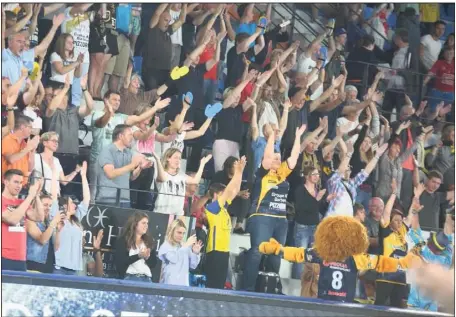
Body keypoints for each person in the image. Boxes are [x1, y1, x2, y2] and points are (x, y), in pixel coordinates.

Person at [259, 215, 420, 303]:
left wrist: (279, 250)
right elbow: (380, 263)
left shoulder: (326, 255)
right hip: (330, 304)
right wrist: (401, 263)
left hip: (336, 305)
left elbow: (298, 254)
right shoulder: (347, 257)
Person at [243, 125, 305, 292]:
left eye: (279, 159)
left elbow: (293, 157)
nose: (278, 161)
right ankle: (247, 289)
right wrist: (271, 137)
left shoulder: (282, 174)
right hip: (261, 215)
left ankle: (269, 289)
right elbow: (268, 156)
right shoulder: (262, 173)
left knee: (276, 254)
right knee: (257, 252)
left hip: (280, 219)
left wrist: (298, 136)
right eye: (276, 159)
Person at [89, 91, 169, 200]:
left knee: (112, 194)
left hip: (116, 161)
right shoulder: (97, 113)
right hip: (98, 159)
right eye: (114, 99)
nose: (117, 102)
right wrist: (109, 112)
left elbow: (139, 118)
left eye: (119, 100)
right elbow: (101, 123)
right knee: (94, 192)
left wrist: (154, 109)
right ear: (106, 100)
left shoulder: (121, 117)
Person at [205, 156, 246, 289]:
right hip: (214, 251)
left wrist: (240, 172)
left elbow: (234, 191)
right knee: (213, 285)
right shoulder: (212, 208)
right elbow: (229, 190)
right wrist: (238, 171)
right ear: (216, 195)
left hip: (223, 251)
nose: (226, 195)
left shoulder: (223, 209)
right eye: (222, 193)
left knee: (220, 286)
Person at [407, 197, 453, 311]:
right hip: (430, 306)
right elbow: (448, 234)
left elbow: (415, 229)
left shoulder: (424, 250)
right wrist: (448, 216)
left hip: (416, 303)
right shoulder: (446, 258)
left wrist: (415, 212)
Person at [291, 165, 334, 279]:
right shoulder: (300, 190)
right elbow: (301, 208)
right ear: (307, 176)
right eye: (314, 174)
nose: (317, 177)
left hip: (315, 226)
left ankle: (311, 284)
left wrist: (326, 200)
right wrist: (317, 199)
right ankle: (297, 283)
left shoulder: (317, 191)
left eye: (318, 174)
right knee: (301, 257)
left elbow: (318, 209)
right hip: (302, 226)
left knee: (314, 258)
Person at [326, 139, 388, 217]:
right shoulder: (334, 182)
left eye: (349, 167)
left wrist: (377, 156)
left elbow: (366, 172)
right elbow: (340, 171)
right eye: (347, 167)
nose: (349, 169)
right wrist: (349, 154)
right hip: (332, 221)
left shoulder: (352, 184)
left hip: (346, 222)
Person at [95, 124, 152, 208]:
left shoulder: (128, 152)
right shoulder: (107, 151)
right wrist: (132, 165)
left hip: (125, 200)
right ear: (120, 136)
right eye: (129, 135)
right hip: (108, 199)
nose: (132, 138)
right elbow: (110, 174)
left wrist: (140, 168)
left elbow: (131, 177)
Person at [50, 161, 90, 276]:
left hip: (74, 270)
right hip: (59, 268)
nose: (75, 205)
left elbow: (86, 199)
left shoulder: (76, 218)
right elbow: (53, 196)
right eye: (72, 203)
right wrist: (54, 174)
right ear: (64, 206)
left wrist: (83, 176)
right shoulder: (57, 217)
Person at [1, 169, 44, 271]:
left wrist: (36, 194)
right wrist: (30, 196)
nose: (19, 186)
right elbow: (12, 220)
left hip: (21, 258)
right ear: (6, 182)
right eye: (15, 182)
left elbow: (39, 217)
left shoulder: (21, 202)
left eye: (21, 183)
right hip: (3, 257)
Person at [152, 148, 212, 216]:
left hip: (178, 215)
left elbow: (195, 181)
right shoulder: (161, 173)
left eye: (179, 158)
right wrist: (158, 160)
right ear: (168, 158)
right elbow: (162, 178)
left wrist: (202, 164)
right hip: (161, 213)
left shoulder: (181, 175)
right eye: (175, 158)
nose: (178, 160)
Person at [25, 193, 63, 273]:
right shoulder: (30, 221)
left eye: (50, 206)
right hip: (33, 265)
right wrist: (53, 223)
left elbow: (56, 247)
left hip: (48, 265)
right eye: (45, 205)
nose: (48, 208)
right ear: (37, 206)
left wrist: (58, 231)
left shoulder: (49, 223)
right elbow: (42, 240)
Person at [211, 156, 250, 234]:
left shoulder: (238, 177)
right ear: (228, 167)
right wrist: (238, 194)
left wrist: (243, 194)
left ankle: (238, 225)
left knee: (246, 199)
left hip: (233, 203)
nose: (236, 168)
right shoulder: (219, 175)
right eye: (235, 166)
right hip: (220, 202)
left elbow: (239, 190)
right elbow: (218, 191)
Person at [115, 211, 157, 282]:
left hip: (147, 279)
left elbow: (153, 264)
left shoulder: (148, 241)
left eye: (147, 223)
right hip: (130, 278)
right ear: (135, 224)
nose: (146, 226)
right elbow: (120, 263)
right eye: (143, 223)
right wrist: (138, 256)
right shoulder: (123, 240)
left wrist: (147, 258)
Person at [158, 219, 202, 286]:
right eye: (179, 232)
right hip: (169, 283)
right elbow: (174, 259)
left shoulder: (184, 246)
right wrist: (186, 245)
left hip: (183, 284)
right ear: (172, 231)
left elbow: (193, 265)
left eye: (183, 233)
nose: (181, 236)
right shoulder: (166, 245)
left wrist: (195, 253)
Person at [1, 115, 40, 184]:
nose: (31, 131)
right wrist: (27, 148)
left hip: (22, 184)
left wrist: (33, 150)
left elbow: (30, 168)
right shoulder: (7, 139)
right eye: (30, 127)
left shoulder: (25, 144)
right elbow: (11, 159)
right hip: (8, 184)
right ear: (22, 127)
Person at [423, 46, 455, 112]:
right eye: (447, 53)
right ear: (444, 54)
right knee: (433, 111)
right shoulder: (439, 62)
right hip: (437, 92)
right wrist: (424, 82)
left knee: (443, 113)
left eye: (451, 53)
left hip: (450, 93)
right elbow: (431, 73)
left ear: (454, 54)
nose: (449, 55)